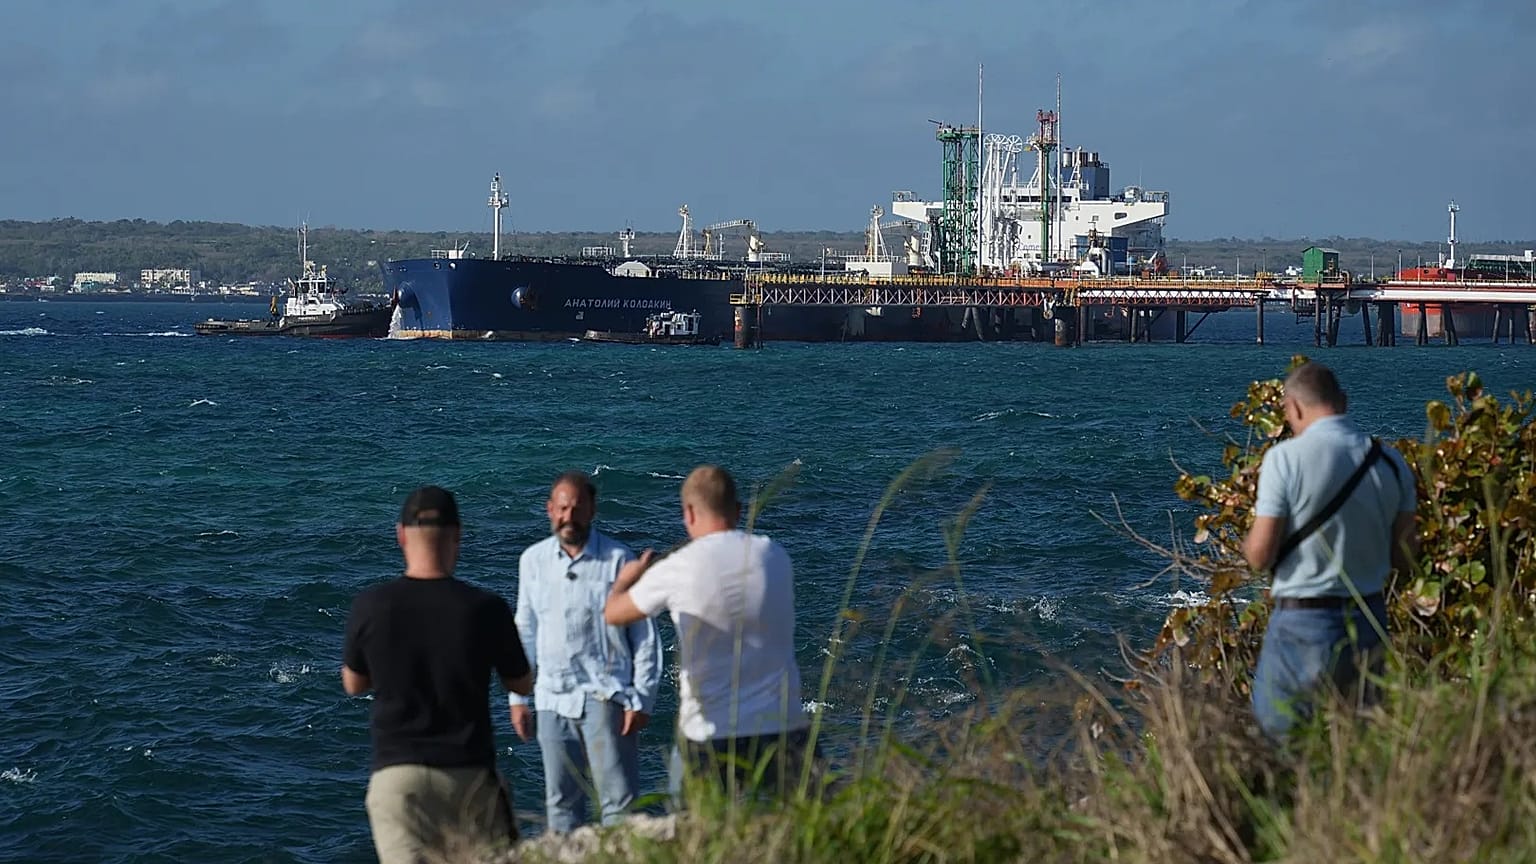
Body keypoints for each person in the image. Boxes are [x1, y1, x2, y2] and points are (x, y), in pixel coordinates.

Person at [342, 486, 533, 864]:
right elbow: (521, 682)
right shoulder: (486, 608)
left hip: (398, 777)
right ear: (458, 535)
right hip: (468, 774)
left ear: (400, 535)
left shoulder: (371, 605)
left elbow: (353, 683)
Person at [603, 465, 812, 800]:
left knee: (698, 838)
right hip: (783, 726)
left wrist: (627, 578)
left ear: (688, 513)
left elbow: (614, 614)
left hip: (709, 733)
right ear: (738, 510)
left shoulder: (679, 566)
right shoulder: (774, 555)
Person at [1242, 362, 1418, 741]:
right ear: (1343, 402)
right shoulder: (1391, 462)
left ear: (1294, 408)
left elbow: (1259, 556)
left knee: (1280, 744)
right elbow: (1405, 557)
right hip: (1369, 617)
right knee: (1360, 742)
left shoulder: (1284, 459)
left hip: (1304, 622)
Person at [510, 471, 662, 833]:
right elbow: (525, 630)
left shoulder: (618, 560)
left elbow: (644, 636)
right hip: (551, 696)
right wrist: (519, 697)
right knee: (561, 805)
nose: (569, 517)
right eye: (562, 508)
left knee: (619, 805)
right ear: (550, 510)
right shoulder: (532, 562)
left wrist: (642, 698)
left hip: (606, 694)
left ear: (592, 510)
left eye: (577, 509)